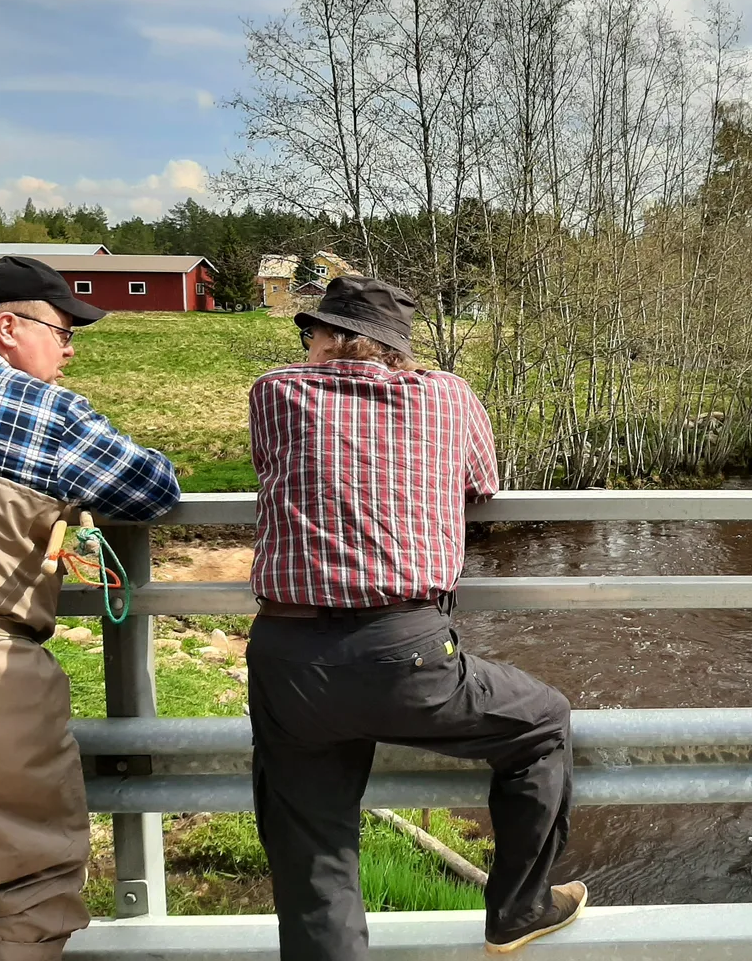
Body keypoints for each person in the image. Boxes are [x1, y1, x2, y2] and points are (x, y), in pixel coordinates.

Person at [246, 276, 584, 959]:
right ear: (397, 347)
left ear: (333, 338)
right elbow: (481, 483)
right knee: (542, 723)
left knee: (312, 847)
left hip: (289, 658)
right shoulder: (449, 396)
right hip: (405, 655)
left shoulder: (275, 392)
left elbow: (272, 466)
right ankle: (519, 910)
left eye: (311, 332)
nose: (305, 344)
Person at [0, 256, 182, 960]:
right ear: (8, 328)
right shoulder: (40, 411)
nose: (69, 350)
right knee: (35, 892)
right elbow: (154, 488)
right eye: (61, 332)